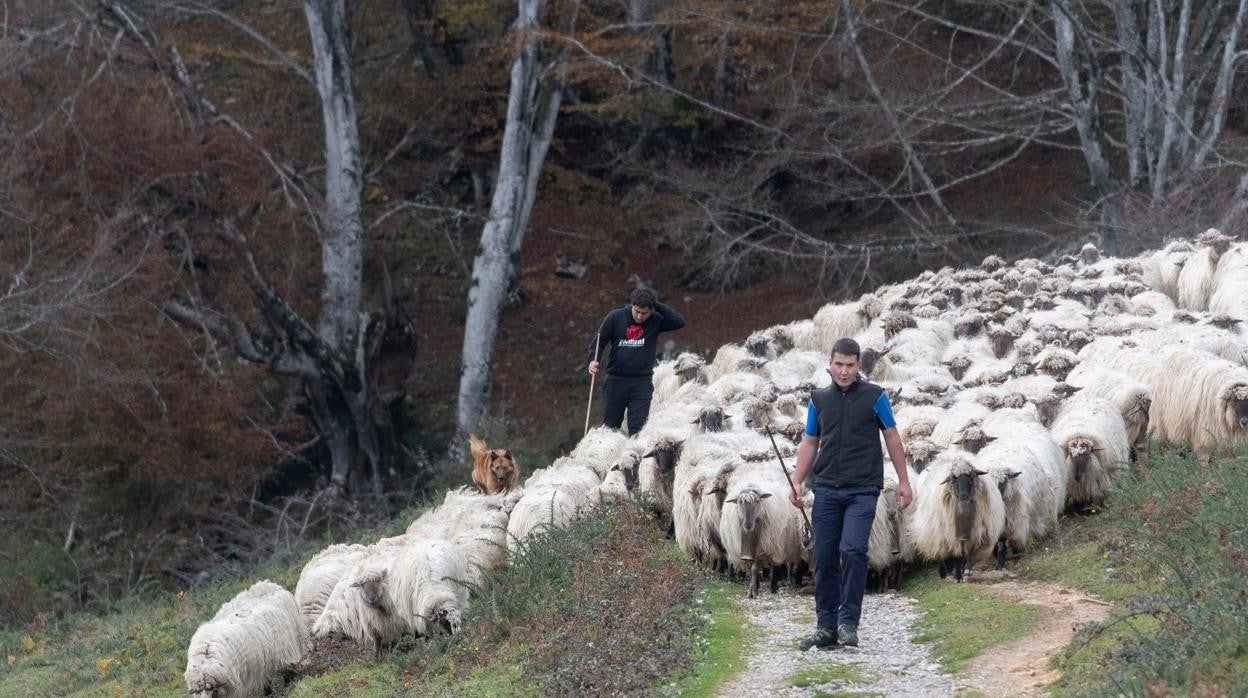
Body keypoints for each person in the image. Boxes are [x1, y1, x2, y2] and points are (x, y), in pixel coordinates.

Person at [789, 337, 912, 650]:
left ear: (859, 367)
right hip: (827, 488)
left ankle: (848, 624)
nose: (844, 371)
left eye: (850, 365)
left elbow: (893, 437)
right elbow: (810, 441)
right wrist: (798, 479)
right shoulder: (819, 399)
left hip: (863, 488)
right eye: (839, 365)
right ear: (830, 365)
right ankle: (826, 626)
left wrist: (903, 481)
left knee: (854, 551)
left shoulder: (875, 396)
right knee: (825, 557)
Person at [586, 288, 686, 434]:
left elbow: (679, 321)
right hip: (615, 381)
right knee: (610, 427)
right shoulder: (615, 317)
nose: (639, 316)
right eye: (636, 311)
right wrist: (593, 360)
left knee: (638, 428)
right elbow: (599, 342)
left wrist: (656, 304)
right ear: (632, 305)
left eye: (644, 313)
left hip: (641, 382)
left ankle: (635, 456)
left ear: (651, 310)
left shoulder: (655, 320)